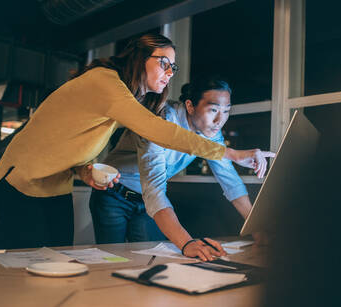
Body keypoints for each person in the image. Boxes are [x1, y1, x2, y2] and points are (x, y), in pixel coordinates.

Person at [0, 33, 273, 250]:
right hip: (22, 178)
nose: (169, 73)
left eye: (172, 68)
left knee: (55, 261)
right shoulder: (107, 83)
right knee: (23, 267)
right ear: (140, 59)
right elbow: (159, 131)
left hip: (54, 185)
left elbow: (76, 141)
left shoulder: (127, 96)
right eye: (163, 63)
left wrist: (84, 170)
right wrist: (231, 153)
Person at [90, 77, 271, 261]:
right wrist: (186, 243)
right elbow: (154, 189)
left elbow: (230, 182)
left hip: (147, 205)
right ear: (190, 106)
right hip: (114, 193)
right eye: (213, 110)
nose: (220, 120)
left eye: (226, 111)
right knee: (110, 258)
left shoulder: (211, 133)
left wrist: (257, 230)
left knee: (150, 260)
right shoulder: (160, 119)